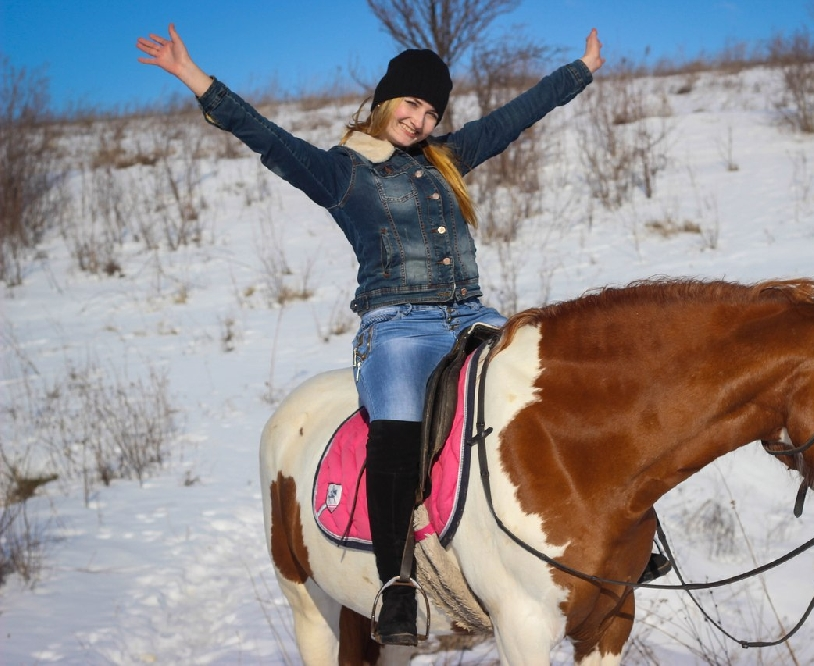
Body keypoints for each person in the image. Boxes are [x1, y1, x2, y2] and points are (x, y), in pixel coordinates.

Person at [137, 23, 604, 646]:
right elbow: (267, 138)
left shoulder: (447, 159)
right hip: (398, 329)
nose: (419, 120)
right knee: (398, 433)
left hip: (472, 317)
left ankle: (606, 538)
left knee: (551, 385)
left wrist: (581, 71)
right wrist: (194, 77)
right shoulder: (343, 173)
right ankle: (396, 585)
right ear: (387, 101)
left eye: (431, 111)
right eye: (411, 104)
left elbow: (511, 118)